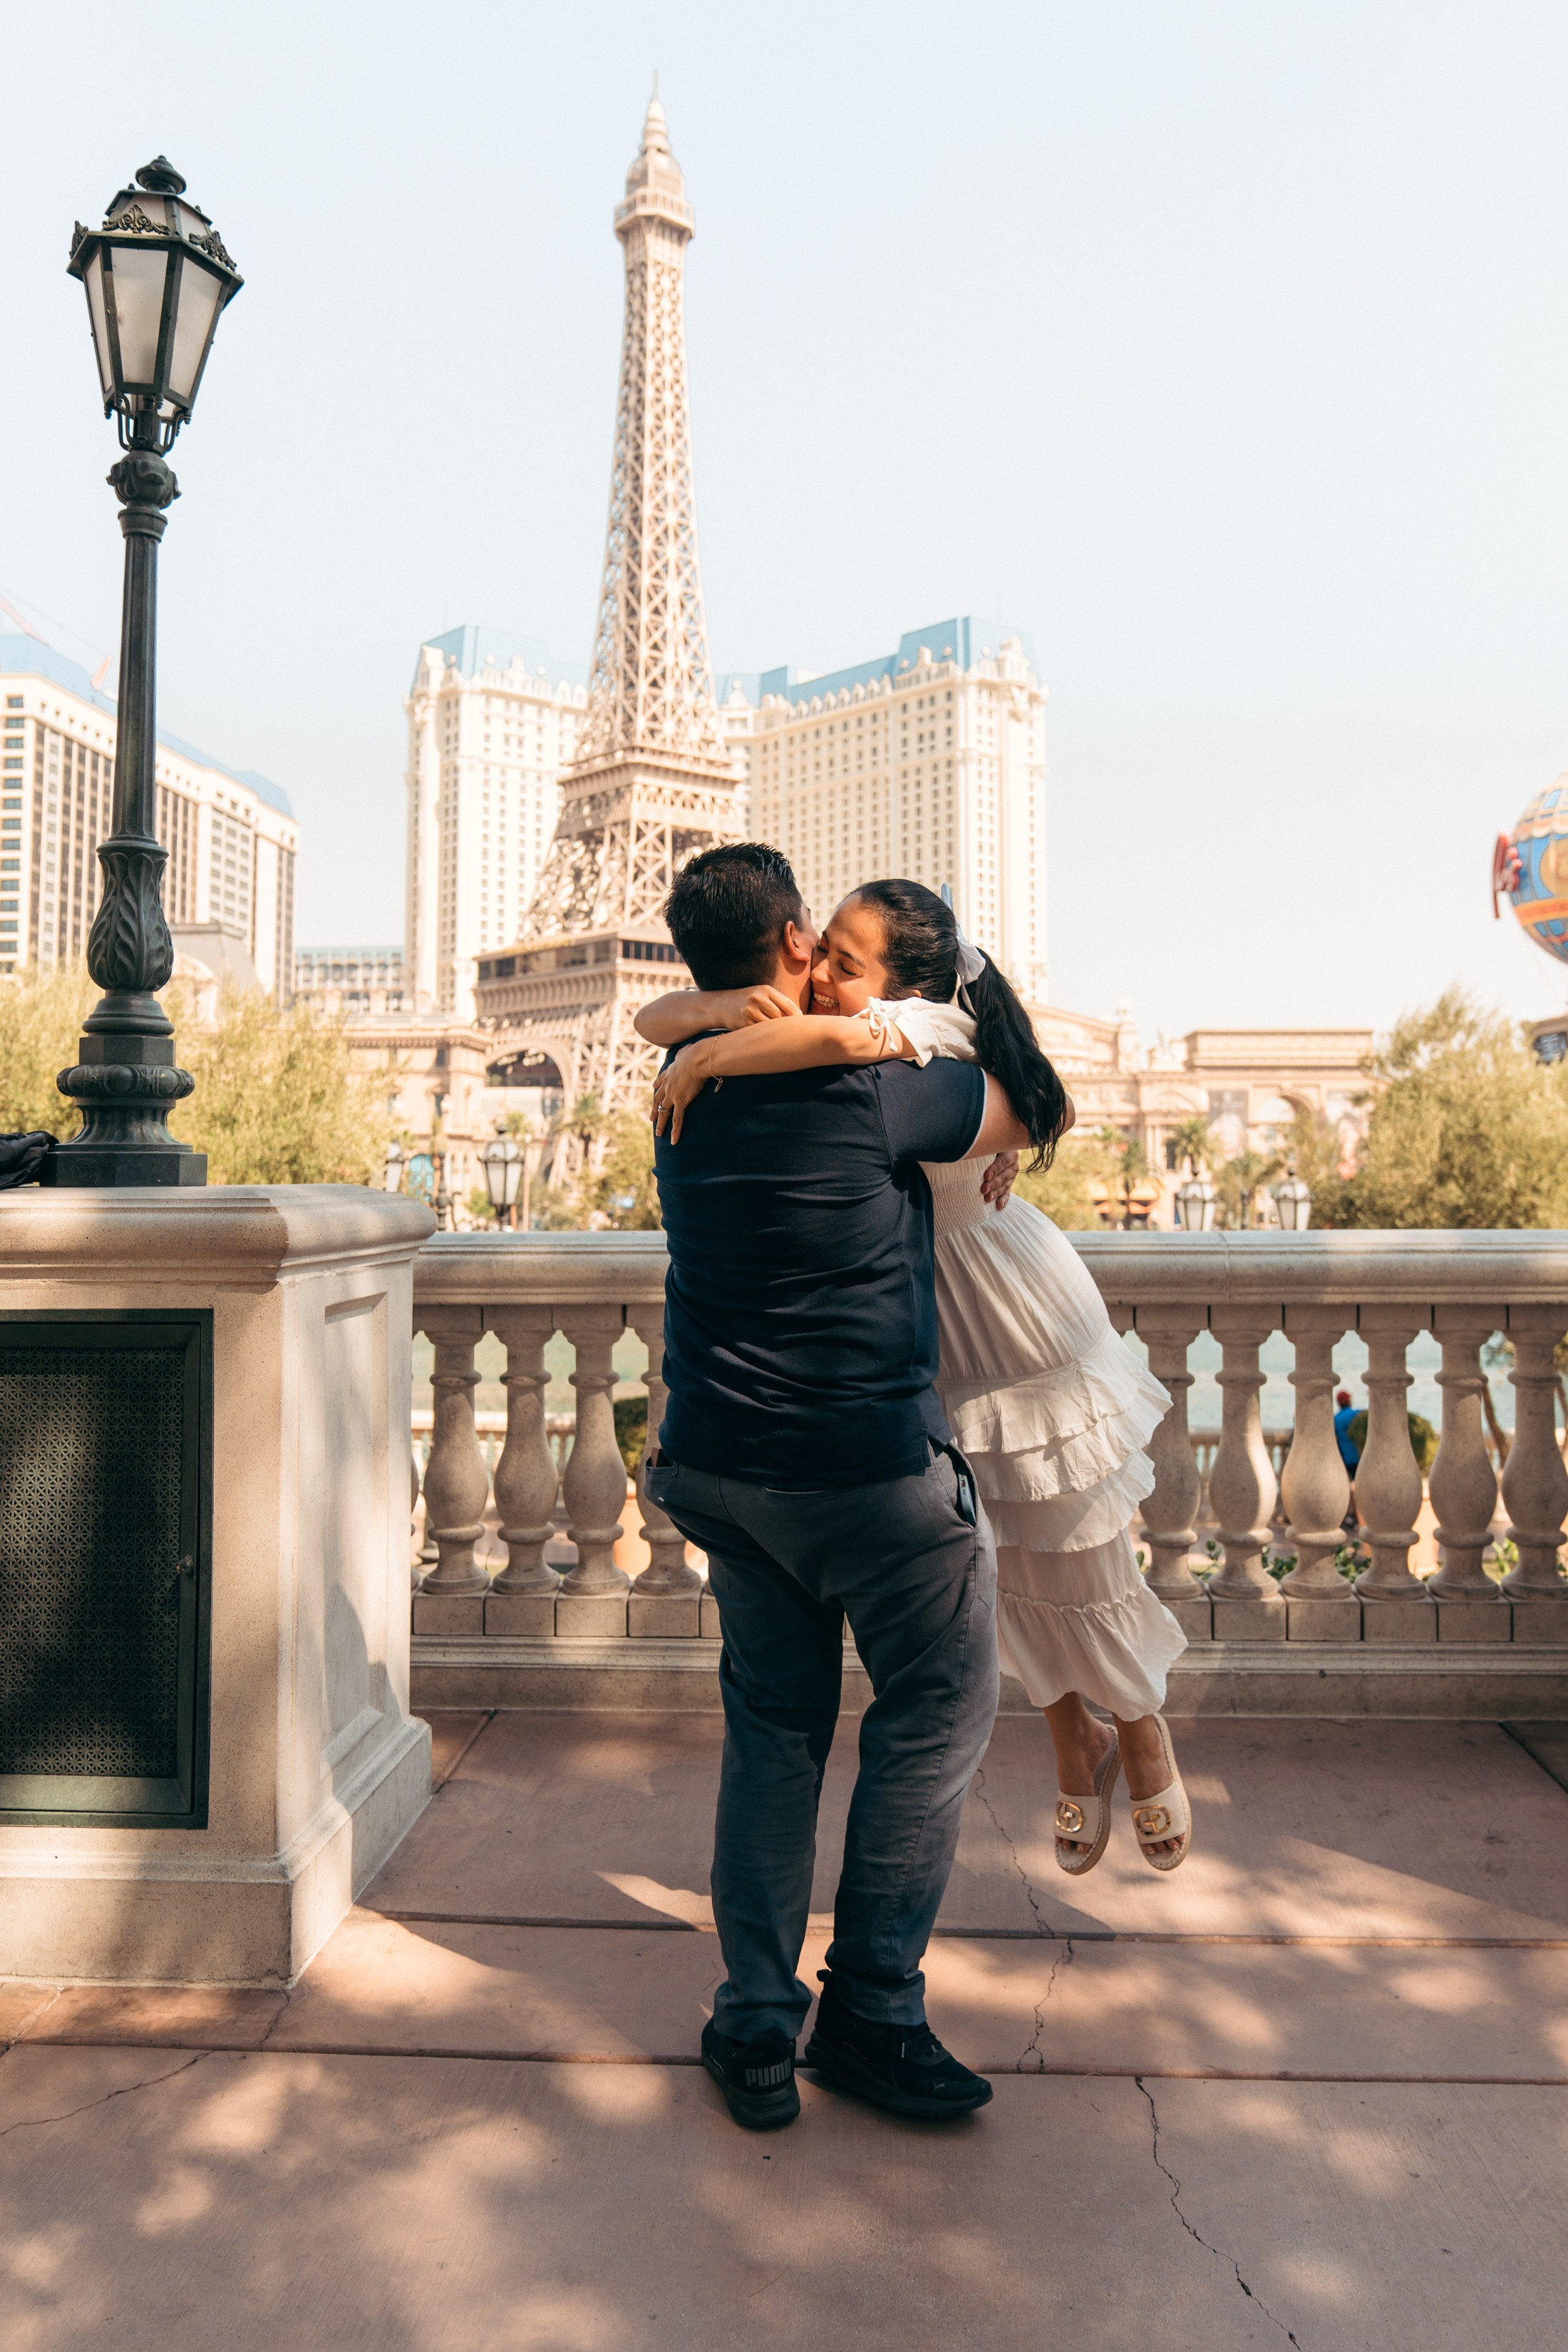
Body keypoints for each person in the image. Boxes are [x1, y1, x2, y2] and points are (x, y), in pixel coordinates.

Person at [642, 876, 1192, 1887]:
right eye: (822, 952)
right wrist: (716, 1016)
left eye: (846, 964)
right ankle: (1078, 1742)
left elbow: (851, 1047)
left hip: (1012, 1306)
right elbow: (654, 1013)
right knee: (998, 1561)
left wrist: (711, 1053)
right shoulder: (829, 1016)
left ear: (908, 985)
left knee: (1074, 1541)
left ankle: (1143, 1728)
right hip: (927, 1324)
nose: (819, 972)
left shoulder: (911, 1033)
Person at [642, 843, 1030, 2134]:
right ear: (800, 941)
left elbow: (678, 1018)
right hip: (867, 1475)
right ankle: (872, 2010)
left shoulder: (673, 1086)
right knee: (934, 1711)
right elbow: (1023, 1103)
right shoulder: (882, 1086)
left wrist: (702, 1025)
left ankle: (755, 2025)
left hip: (721, 1468)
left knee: (774, 1730)